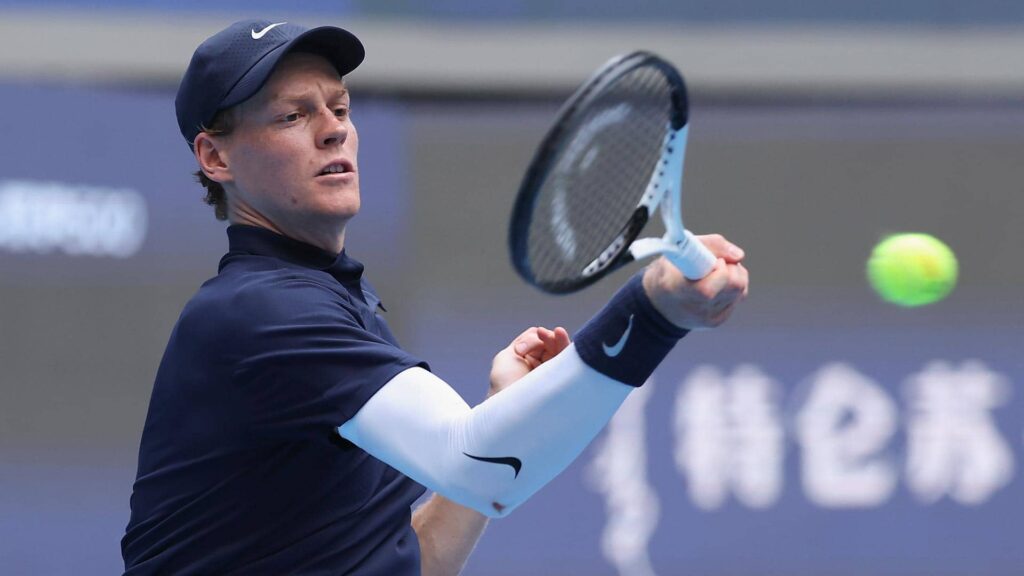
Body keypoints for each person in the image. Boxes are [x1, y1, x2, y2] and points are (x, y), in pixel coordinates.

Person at [121, 19, 748, 576]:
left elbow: (414, 557)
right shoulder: (262, 312)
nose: (333, 131)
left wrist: (503, 414)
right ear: (215, 156)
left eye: (340, 108)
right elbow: (476, 464)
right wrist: (653, 316)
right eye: (293, 116)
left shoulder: (334, 302)